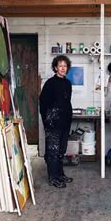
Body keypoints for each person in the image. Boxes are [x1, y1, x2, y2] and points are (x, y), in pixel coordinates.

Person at [39, 55, 73, 188]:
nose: (63, 68)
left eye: (65, 66)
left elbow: (66, 102)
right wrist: (47, 122)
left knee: (61, 150)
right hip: (53, 123)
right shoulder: (50, 84)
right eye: (60, 66)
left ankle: (60, 174)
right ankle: (53, 177)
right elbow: (43, 104)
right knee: (52, 150)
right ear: (55, 68)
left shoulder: (67, 83)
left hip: (65, 122)